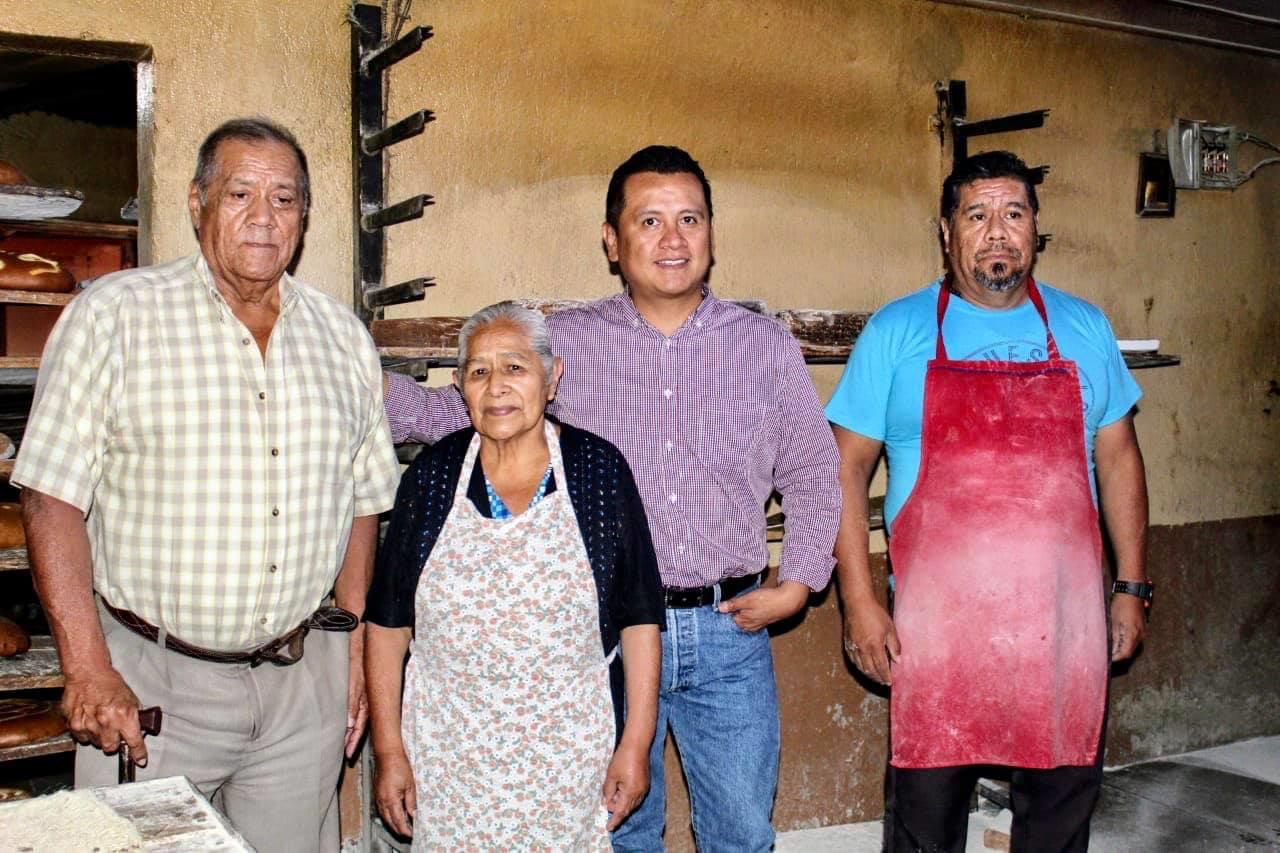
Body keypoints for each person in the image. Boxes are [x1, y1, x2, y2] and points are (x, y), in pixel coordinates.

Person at [382, 146, 842, 850]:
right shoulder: (566, 344)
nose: (673, 239)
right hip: (609, 636)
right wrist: (351, 380)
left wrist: (801, 582)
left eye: (690, 219)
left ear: (711, 233)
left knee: (743, 831)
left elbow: (812, 468)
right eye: (649, 221)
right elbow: (463, 411)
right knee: (622, 830)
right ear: (611, 240)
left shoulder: (763, 346)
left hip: (730, 629)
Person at [13, 117, 400, 852]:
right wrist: (87, 667)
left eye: (284, 198)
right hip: (151, 683)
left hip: (299, 687)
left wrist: (349, 650)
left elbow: (362, 503)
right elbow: (49, 497)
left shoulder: (342, 336)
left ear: (304, 216)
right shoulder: (116, 316)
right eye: (240, 193)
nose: (264, 216)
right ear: (197, 203)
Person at [828, 150, 1151, 852]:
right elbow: (844, 469)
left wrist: (1130, 587)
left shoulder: (1085, 327)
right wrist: (858, 600)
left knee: (1059, 816)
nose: (997, 231)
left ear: (1036, 227)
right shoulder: (898, 330)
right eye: (976, 215)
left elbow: (1119, 457)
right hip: (936, 635)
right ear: (946, 231)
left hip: (1062, 625)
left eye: (1014, 213)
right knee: (925, 824)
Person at [364, 302, 663, 849]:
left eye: (515, 367)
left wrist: (636, 743)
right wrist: (389, 751)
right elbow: (387, 627)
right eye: (479, 370)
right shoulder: (432, 479)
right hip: (450, 764)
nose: (496, 385)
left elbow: (639, 620)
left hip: (569, 764)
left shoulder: (598, 472)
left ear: (552, 377)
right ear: (461, 387)